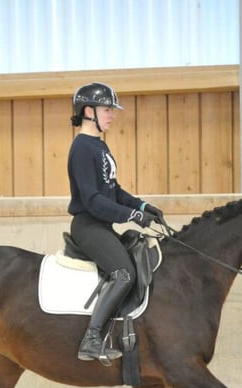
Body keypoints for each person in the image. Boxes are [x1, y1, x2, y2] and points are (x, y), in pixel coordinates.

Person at [67, 82, 164, 364]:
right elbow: (93, 200)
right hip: (88, 226)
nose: (112, 115)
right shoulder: (82, 148)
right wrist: (131, 216)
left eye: (112, 110)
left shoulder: (99, 145)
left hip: (102, 226)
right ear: (89, 111)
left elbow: (114, 190)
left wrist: (143, 206)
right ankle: (92, 339)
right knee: (124, 272)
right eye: (107, 109)